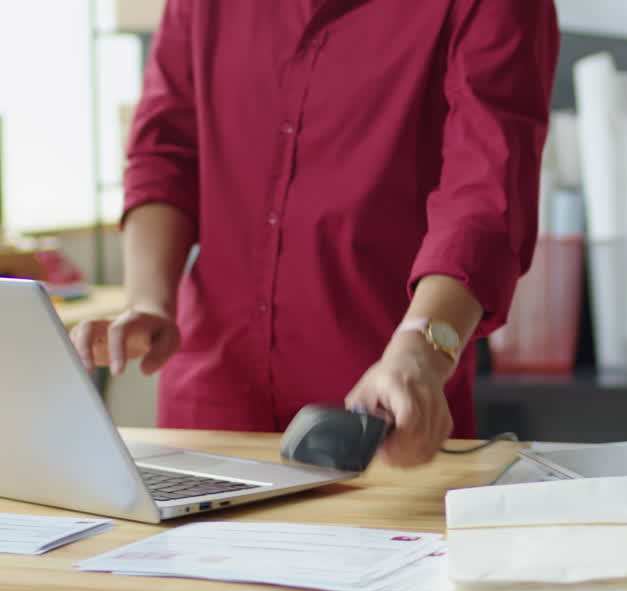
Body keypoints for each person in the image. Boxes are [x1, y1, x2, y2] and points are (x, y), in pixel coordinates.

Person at [71, 1, 559, 467]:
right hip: (210, 405)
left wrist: (422, 349)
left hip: (382, 407)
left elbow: (485, 191)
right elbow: (166, 151)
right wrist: (149, 302)